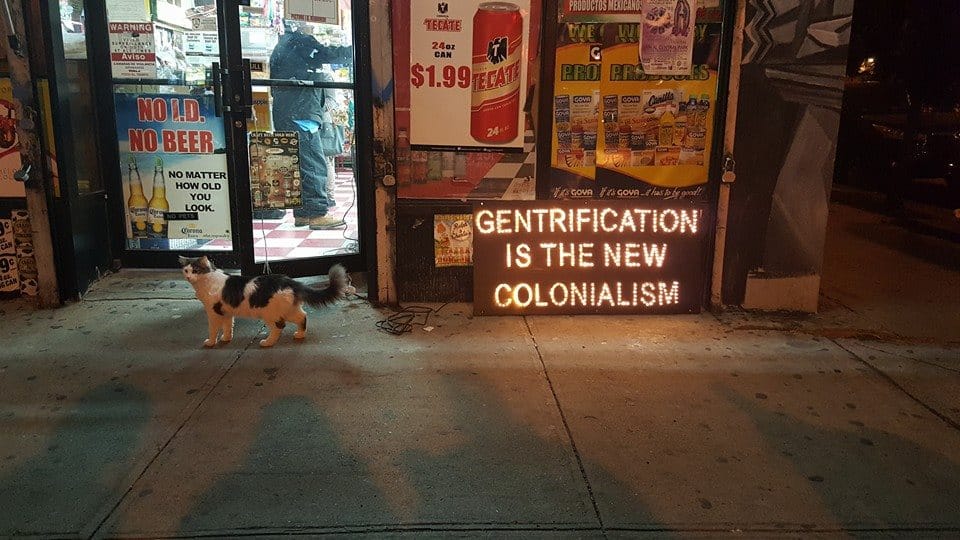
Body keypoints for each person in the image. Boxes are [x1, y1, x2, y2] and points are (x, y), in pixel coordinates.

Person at [266, 22, 352, 228]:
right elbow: (330, 54)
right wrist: (361, 48)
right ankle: (314, 214)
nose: (313, 30)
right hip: (300, 111)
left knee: (305, 162)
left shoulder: (286, 45)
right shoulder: (299, 41)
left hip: (293, 110)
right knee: (313, 162)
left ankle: (305, 213)